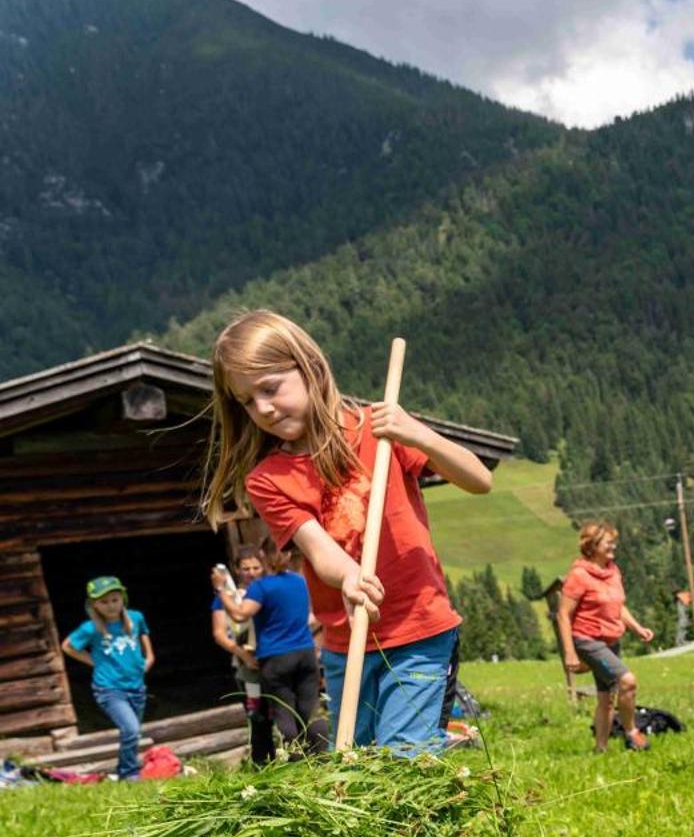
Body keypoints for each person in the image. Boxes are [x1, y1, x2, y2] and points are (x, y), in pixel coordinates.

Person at [199, 310, 492, 752]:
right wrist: (350, 576)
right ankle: (440, 743)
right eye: (246, 400)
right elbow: (319, 550)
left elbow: (479, 480)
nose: (262, 408)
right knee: (358, 764)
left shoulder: (381, 434)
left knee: (401, 760)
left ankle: (431, 745)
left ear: (310, 368)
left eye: (270, 388)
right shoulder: (269, 479)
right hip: (344, 643)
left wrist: (419, 433)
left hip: (418, 629)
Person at [213, 542, 328, 753]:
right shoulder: (299, 581)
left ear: (263, 556)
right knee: (310, 709)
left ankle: (296, 760)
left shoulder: (262, 587)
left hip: (276, 658)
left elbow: (240, 614)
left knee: (284, 711)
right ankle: (322, 755)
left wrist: (220, 590)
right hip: (305, 652)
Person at [556, 521, 656, 753]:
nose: (613, 546)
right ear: (592, 545)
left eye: (614, 541)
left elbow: (618, 606)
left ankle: (600, 748)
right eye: (608, 542)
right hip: (588, 640)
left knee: (606, 697)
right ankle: (631, 732)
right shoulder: (579, 575)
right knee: (627, 681)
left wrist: (637, 628)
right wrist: (570, 652)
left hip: (611, 641)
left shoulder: (612, 570)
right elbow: (562, 614)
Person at [60, 576, 154, 781]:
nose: (111, 606)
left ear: (123, 598)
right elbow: (68, 646)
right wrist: (95, 661)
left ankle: (124, 769)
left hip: (137, 686)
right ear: (94, 605)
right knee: (131, 729)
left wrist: (150, 657)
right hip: (110, 689)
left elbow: (144, 633)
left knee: (132, 733)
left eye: (115, 600)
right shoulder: (90, 628)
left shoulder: (135, 618)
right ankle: (130, 772)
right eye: (104, 602)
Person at [210, 543, 275, 765]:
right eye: (246, 568)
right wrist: (244, 655)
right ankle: (263, 764)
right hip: (246, 667)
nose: (251, 573)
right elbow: (220, 634)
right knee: (258, 717)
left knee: (282, 712)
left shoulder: (270, 590)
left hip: (274, 660)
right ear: (236, 569)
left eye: (256, 567)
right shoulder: (226, 597)